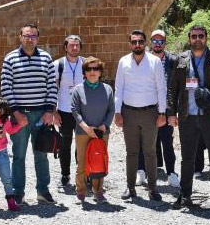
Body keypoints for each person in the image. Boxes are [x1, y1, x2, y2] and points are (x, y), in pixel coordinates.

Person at [168, 25, 210, 210]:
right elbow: (173, 88)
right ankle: (184, 196)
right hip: (187, 116)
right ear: (189, 38)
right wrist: (171, 113)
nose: (197, 39)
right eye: (194, 36)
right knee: (187, 158)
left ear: (206, 38)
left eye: (201, 36)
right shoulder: (181, 59)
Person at [1, 23, 58, 204]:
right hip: (21, 116)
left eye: (33, 36)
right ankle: (18, 192)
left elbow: (51, 86)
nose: (30, 39)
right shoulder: (10, 59)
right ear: (20, 37)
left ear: (38, 38)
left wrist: (49, 111)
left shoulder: (46, 58)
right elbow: (5, 87)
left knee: (41, 154)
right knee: (18, 155)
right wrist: (16, 113)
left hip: (42, 114)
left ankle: (43, 190)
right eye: (26, 35)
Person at [115, 29, 166, 202]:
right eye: (134, 42)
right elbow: (119, 88)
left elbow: (161, 88)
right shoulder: (123, 62)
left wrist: (162, 112)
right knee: (131, 152)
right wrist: (117, 112)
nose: (137, 44)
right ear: (130, 44)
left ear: (145, 43)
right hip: (128, 112)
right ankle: (130, 188)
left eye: (140, 41)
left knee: (151, 152)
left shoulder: (154, 62)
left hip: (150, 112)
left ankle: (153, 188)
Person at [136, 30, 180, 189]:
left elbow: (176, 87)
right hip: (146, 107)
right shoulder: (143, 60)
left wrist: (173, 111)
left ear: (165, 43)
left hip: (166, 108)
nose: (157, 44)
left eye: (161, 41)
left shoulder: (173, 61)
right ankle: (141, 171)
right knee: (143, 142)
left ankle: (171, 173)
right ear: (150, 42)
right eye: (154, 40)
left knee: (167, 142)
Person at [71, 56, 114, 202]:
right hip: (83, 132)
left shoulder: (107, 89)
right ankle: (81, 191)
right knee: (82, 162)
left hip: (102, 132)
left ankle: (98, 191)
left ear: (100, 72)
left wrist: (105, 125)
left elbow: (111, 110)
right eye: (89, 69)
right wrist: (85, 127)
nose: (92, 72)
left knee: (99, 161)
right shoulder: (78, 89)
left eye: (96, 68)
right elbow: (75, 110)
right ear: (84, 72)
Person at [53, 35, 85, 187]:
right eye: (71, 45)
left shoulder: (85, 64)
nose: (74, 48)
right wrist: (54, 111)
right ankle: (65, 175)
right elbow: (52, 90)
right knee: (65, 145)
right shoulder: (58, 65)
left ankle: (82, 174)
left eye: (77, 45)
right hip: (64, 110)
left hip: (82, 111)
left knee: (82, 144)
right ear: (65, 47)